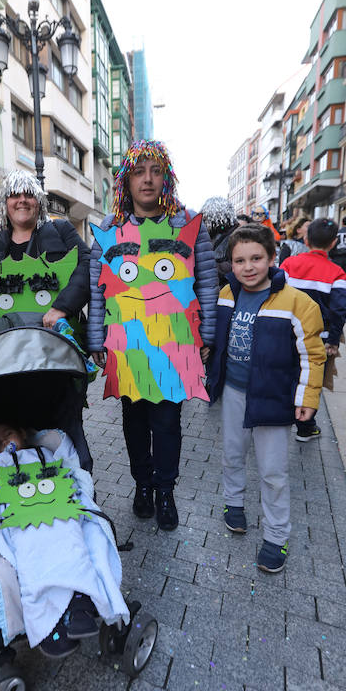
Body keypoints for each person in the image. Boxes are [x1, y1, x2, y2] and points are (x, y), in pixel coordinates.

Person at [88, 140, 218, 532]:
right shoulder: (109, 230)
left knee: (167, 422)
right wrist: (97, 339)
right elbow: (98, 289)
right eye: (139, 171)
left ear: (167, 178)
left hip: (175, 344)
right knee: (133, 421)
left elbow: (208, 282)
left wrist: (206, 333)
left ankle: (165, 490)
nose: (147, 179)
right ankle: (142, 486)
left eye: (155, 171)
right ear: (125, 180)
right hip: (127, 345)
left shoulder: (189, 224)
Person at [206, 224, 325, 573]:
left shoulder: (298, 303)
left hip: (272, 398)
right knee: (232, 454)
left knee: (273, 472)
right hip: (233, 392)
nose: (248, 267)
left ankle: (276, 536)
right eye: (239, 260)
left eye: (256, 258)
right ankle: (234, 504)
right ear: (231, 263)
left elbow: (312, 356)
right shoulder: (227, 293)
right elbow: (217, 337)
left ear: (273, 258)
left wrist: (307, 397)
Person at [0, 421, 129, 658]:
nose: (5, 443)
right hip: (21, 518)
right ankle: (48, 622)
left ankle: (80, 599)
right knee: (28, 553)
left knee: (72, 537)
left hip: (58, 508)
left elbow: (69, 466)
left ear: (23, 433)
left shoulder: (45, 452)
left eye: (8, 434)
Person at [0, 170, 90, 334]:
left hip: (56, 337)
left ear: (39, 201)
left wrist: (62, 308)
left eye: (29, 194)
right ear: (5, 202)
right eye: (15, 195)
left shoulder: (61, 230)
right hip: (4, 339)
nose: (22, 200)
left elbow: (88, 266)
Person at [281, 218, 346, 441]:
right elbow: (340, 309)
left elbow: (277, 295)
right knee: (312, 379)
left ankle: (280, 414)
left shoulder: (289, 264)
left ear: (306, 239)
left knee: (286, 373)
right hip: (320, 338)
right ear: (334, 243)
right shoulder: (337, 273)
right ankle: (305, 426)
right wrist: (335, 340)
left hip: (288, 333)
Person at [200, 196, 240, 287]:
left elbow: (234, 266)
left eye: (206, 217)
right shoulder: (208, 235)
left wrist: (204, 267)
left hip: (226, 289)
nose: (204, 220)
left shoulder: (236, 236)